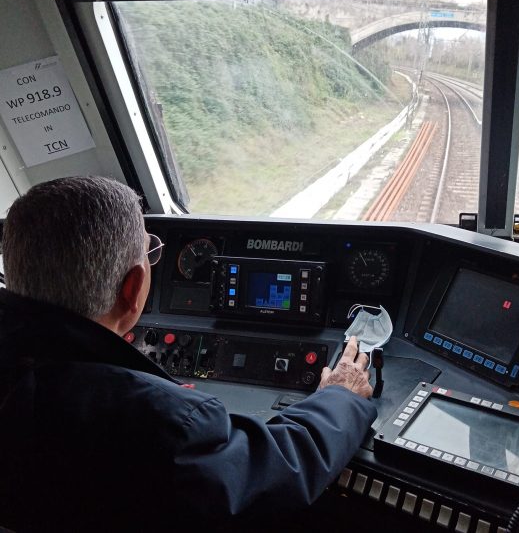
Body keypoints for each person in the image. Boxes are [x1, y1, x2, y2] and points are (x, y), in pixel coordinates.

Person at [0, 176, 376, 532]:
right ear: (133, 288)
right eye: (150, 254)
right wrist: (341, 396)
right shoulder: (165, 424)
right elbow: (279, 468)